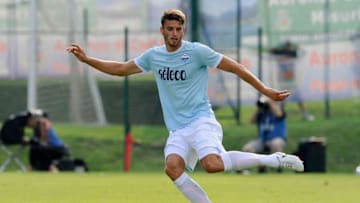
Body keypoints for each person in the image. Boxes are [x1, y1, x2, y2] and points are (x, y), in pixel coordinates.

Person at [67, 9, 303, 203]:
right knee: (172, 168)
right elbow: (120, 69)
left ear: (183, 30)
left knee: (212, 165)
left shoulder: (197, 52)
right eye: (170, 29)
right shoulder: (154, 56)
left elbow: (236, 67)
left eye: (179, 29)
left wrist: (265, 91)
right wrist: (87, 60)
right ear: (162, 31)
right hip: (178, 129)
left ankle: (273, 159)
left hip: (201, 121)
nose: (175, 33)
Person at [269, 41, 315, 121]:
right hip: (283, 82)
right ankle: (281, 116)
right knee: (282, 101)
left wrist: (294, 47)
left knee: (299, 99)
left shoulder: (291, 54)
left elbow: (302, 52)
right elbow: (270, 51)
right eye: (288, 47)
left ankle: (304, 114)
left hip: (291, 82)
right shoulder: (281, 54)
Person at [242, 96, 287, 173]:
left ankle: (278, 169)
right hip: (262, 140)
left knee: (276, 144)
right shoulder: (262, 113)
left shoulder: (279, 111)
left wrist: (269, 102)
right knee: (248, 148)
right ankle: (258, 169)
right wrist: (260, 107)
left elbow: (279, 114)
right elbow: (252, 121)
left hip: (276, 139)